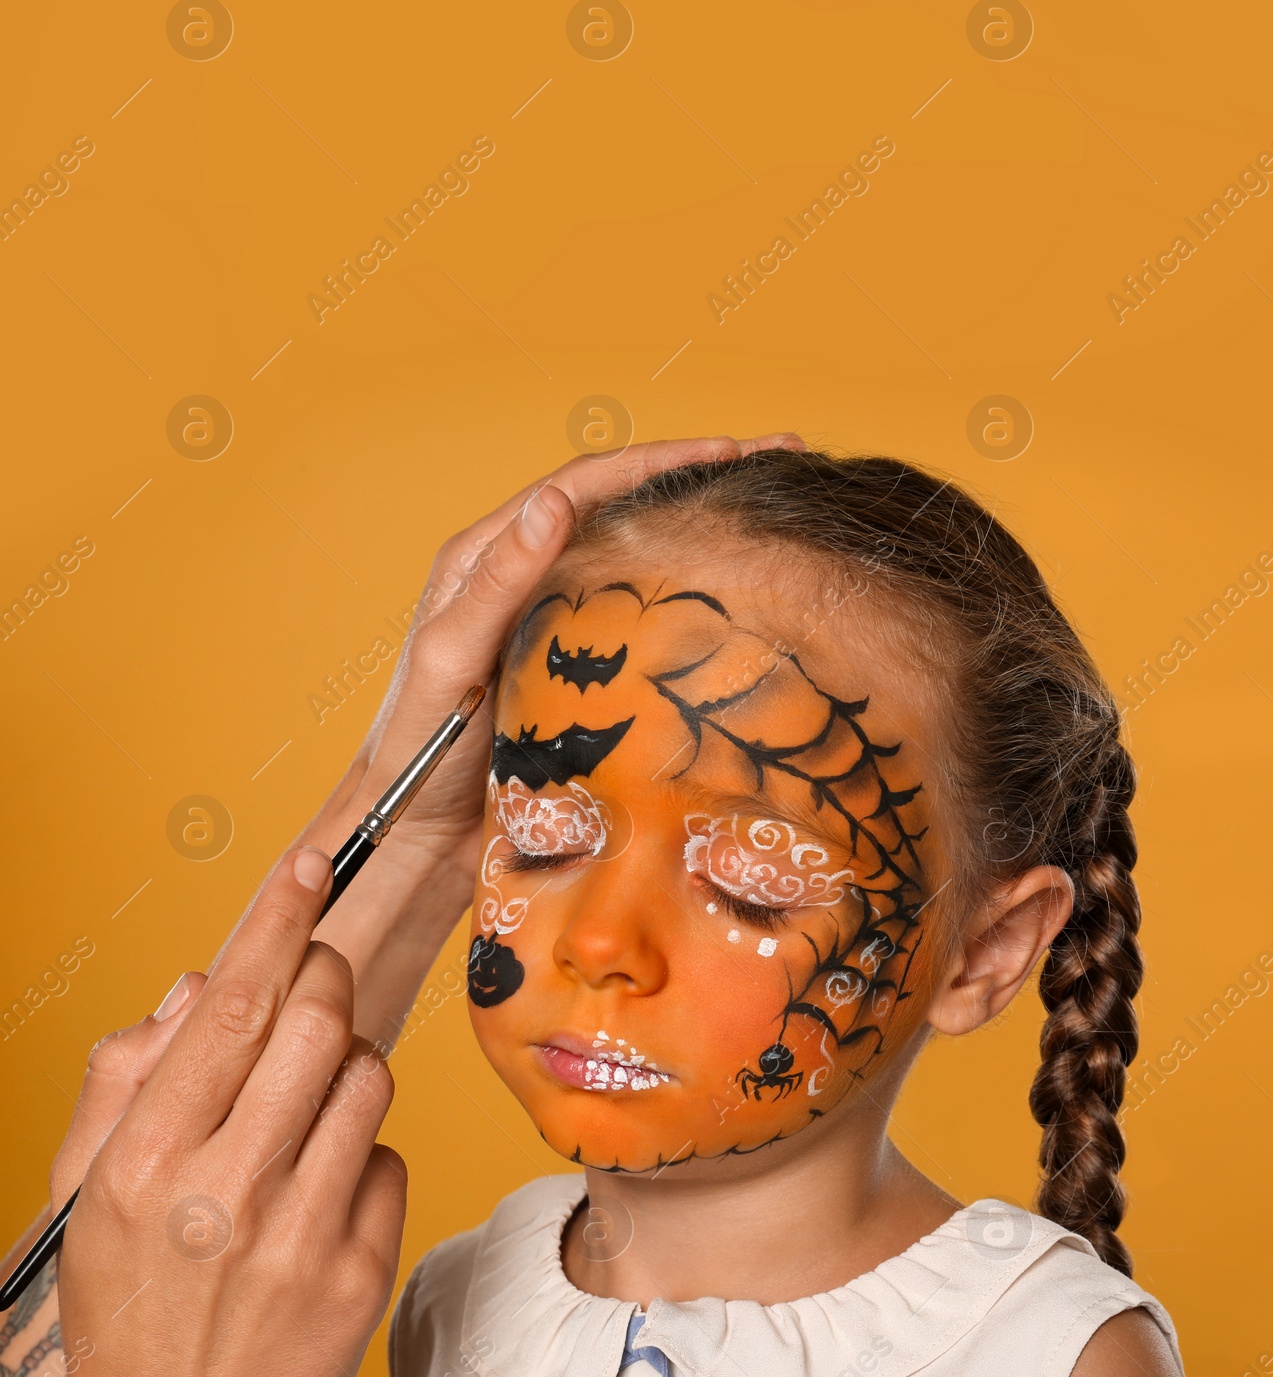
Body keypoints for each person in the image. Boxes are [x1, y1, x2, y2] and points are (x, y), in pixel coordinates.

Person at [3, 437, 1182, 1376]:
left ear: (985, 948)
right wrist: (405, 816)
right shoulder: (459, 1293)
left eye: (749, 881)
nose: (602, 942)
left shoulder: (1046, 1352)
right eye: (548, 835)